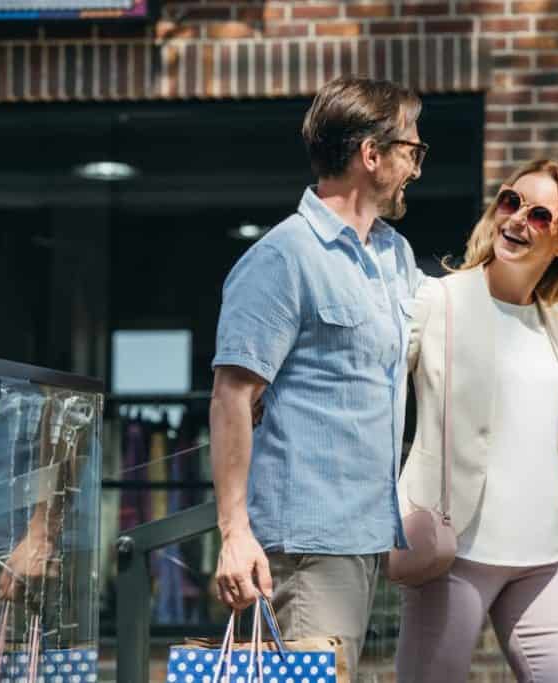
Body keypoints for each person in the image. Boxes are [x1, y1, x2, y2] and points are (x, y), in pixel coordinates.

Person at [209, 76, 427, 672]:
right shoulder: (283, 257)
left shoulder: (394, 256)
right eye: (411, 149)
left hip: (365, 535)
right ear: (371, 155)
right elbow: (232, 396)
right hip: (305, 545)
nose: (416, 165)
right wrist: (234, 532)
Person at [395, 159, 558, 682]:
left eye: (540, 215)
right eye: (510, 201)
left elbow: (557, 446)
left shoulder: (555, 324)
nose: (517, 220)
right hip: (454, 554)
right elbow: (372, 396)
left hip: (544, 560)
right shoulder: (440, 300)